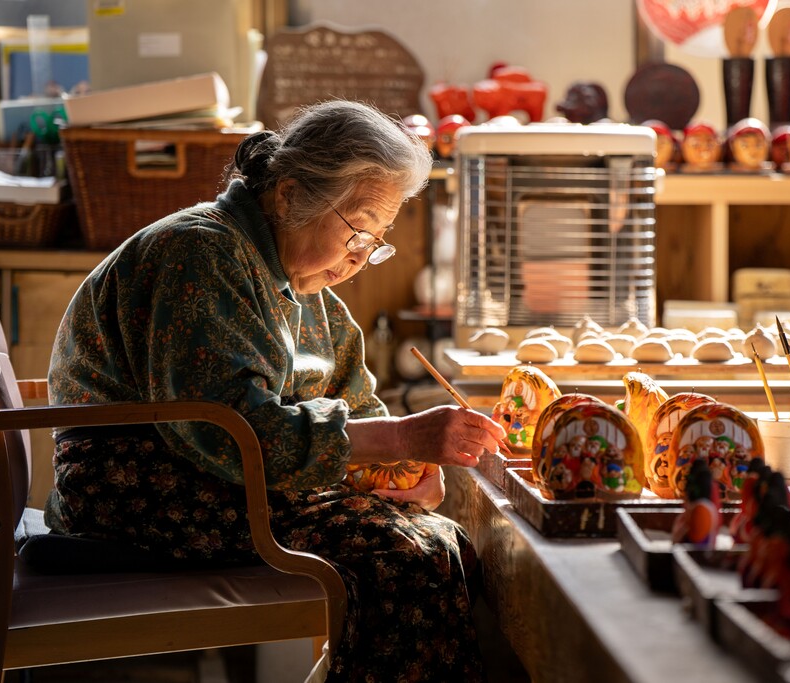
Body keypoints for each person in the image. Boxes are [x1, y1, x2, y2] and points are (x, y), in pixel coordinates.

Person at [45, 100, 507, 682]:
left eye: (378, 239)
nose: (362, 256)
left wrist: (400, 462)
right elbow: (228, 431)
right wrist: (400, 435)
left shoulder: (299, 288)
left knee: (448, 544)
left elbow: (352, 396)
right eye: (358, 229)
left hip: (215, 475)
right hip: (137, 479)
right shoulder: (200, 253)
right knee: (406, 559)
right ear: (289, 196)